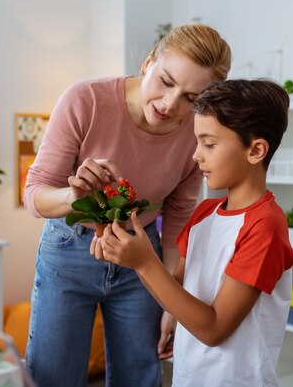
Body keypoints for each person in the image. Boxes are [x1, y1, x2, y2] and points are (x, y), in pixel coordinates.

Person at [23, 23, 231, 387]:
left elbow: (178, 222)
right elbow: (35, 193)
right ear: (148, 62)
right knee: (53, 378)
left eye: (191, 98)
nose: (170, 104)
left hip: (142, 256)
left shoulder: (194, 132)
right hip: (69, 249)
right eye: (166, 81)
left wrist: (172, 303)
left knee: (139, 377)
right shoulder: (85, 100)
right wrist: (72, 197)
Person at [97, 79, 293, 386]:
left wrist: (144, 261)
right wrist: (125, 251)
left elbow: (215, 328)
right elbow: (175, 288)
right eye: (196, 142)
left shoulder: (266, 226)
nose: (196, 155)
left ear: (256, 150)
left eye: (209, 143)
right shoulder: (205, 213)